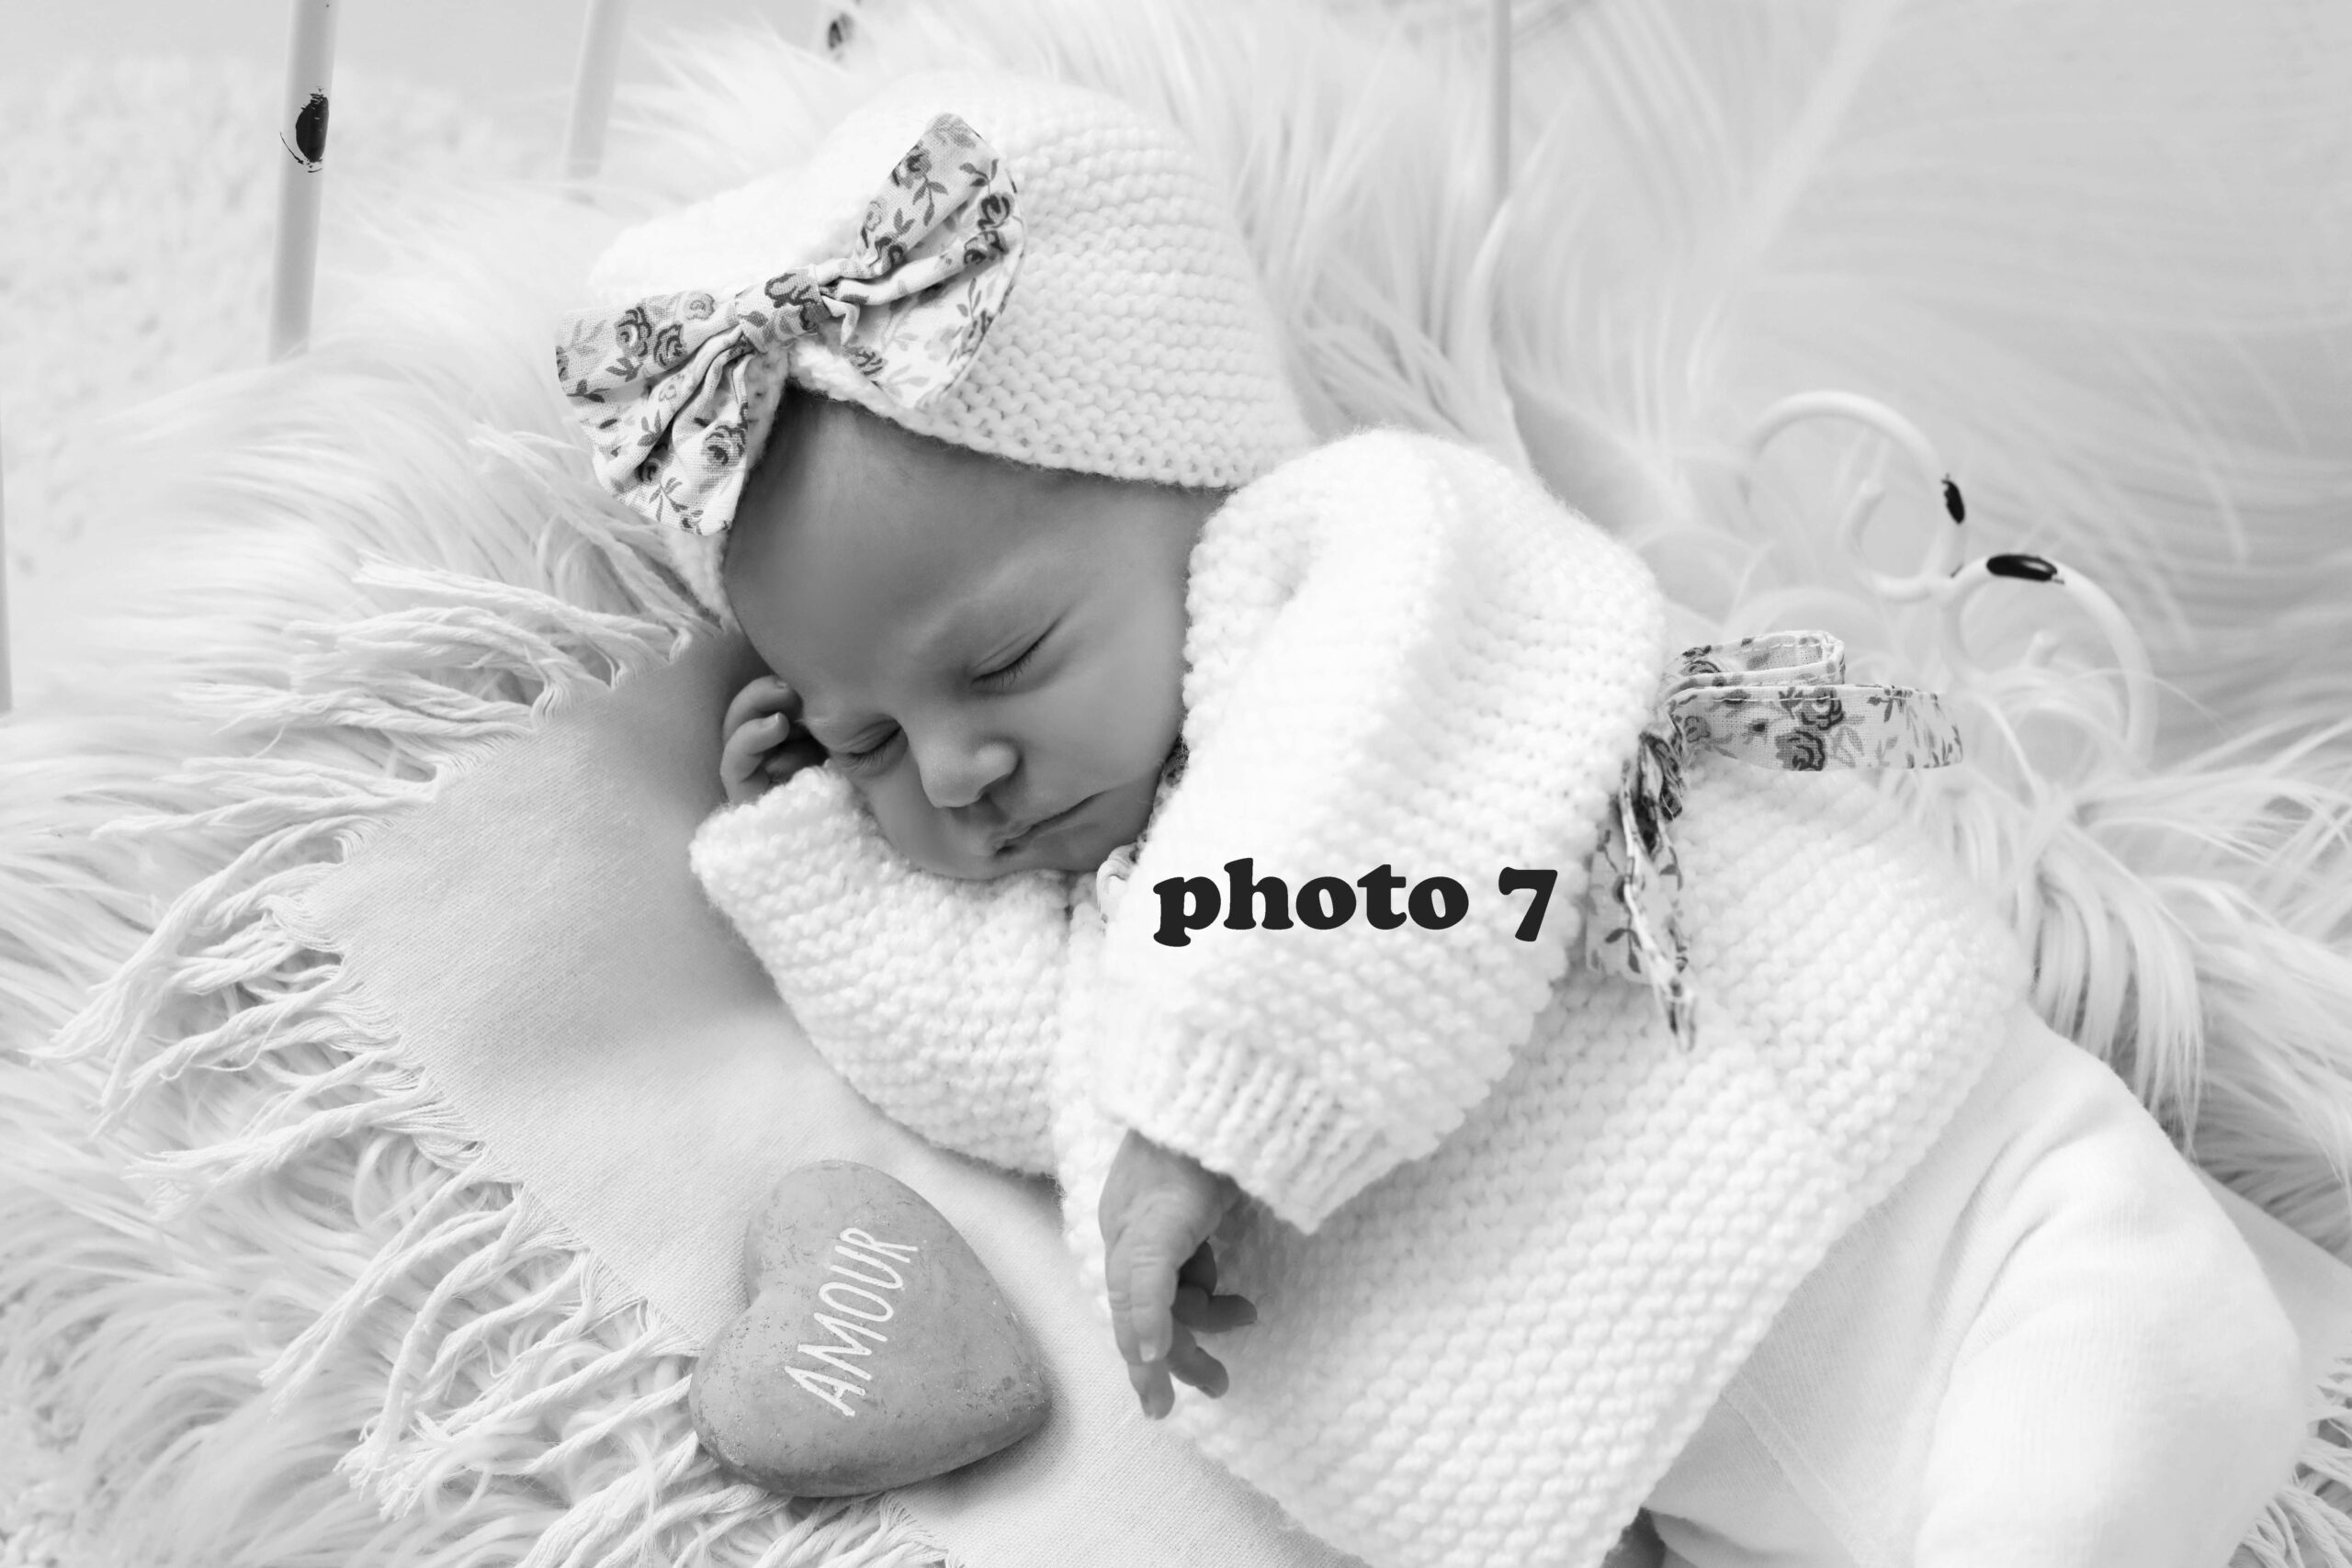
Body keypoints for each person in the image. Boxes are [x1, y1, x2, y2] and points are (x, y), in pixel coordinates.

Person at [560, 67, 2312, 1568]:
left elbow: (1383, 804)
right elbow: (998, 1062)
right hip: (1682, 1464)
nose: (955, 771)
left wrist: (1203, 1117)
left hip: (1963, 1228)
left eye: (1000, 663)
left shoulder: (1365, 570)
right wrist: (817, 847)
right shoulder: (1091, 907)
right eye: (871, 732)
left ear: (1190, 488)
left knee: (2101, 1419)